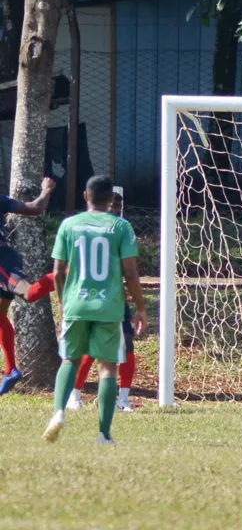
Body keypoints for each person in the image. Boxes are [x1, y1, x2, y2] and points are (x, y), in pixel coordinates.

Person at [43, 176, 148, 445]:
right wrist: (141, 308)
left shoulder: (69, 225)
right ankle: (103, 433)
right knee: (107, 368)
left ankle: (58, 413)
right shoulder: (120, 226)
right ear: (111, 199)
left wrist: (63, 304)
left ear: (84, 196)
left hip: (76, 304)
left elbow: (57, 273)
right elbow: (130, 272)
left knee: (70, 359)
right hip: (109, 306)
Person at [68, 187, 137, 411]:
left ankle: (123, 400)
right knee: (89, 349)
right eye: (112, 204)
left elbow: (130, 269)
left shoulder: (123, 230)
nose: (115, 209)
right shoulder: (83, 229)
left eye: (118, 205)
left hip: (116, 300)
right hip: (91, 298)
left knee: (126, 346)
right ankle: (75, 397)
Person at [0, 176, 58, 395]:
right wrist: (45, 191)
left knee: (30, 293)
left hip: (2, 262)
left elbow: (36, 208)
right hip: (6, 257)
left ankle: (65, 274)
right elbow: (35, 207)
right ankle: (10, 370)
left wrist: (46, 191)